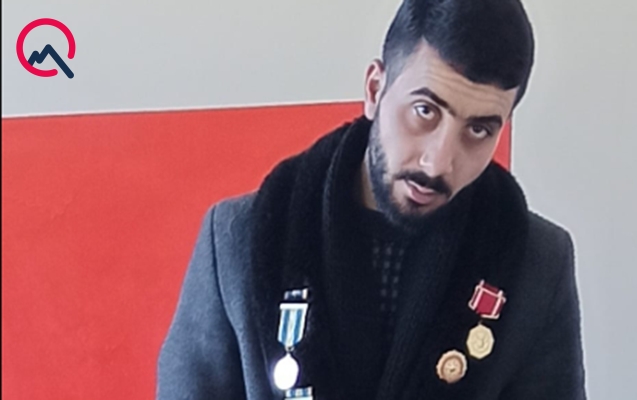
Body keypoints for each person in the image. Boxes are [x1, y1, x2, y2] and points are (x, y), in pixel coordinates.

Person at [156, 0, 587, 399]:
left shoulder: (538, 264)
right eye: (425, 111)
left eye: (478, 130)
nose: (438, 162)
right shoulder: (237, 241)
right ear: (375, 89)